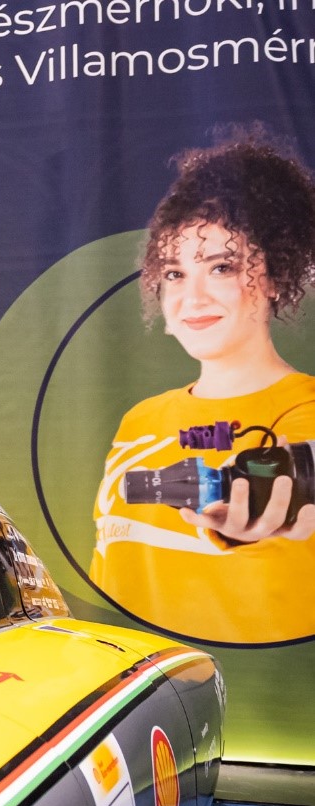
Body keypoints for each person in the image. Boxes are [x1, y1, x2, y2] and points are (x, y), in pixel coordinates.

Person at [90, 126, 315, 645]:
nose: (192, 298)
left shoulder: (304, 409)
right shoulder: (139, 421)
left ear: (276, 275)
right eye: (173, 274)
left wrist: (262, 516)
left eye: (221, 267)